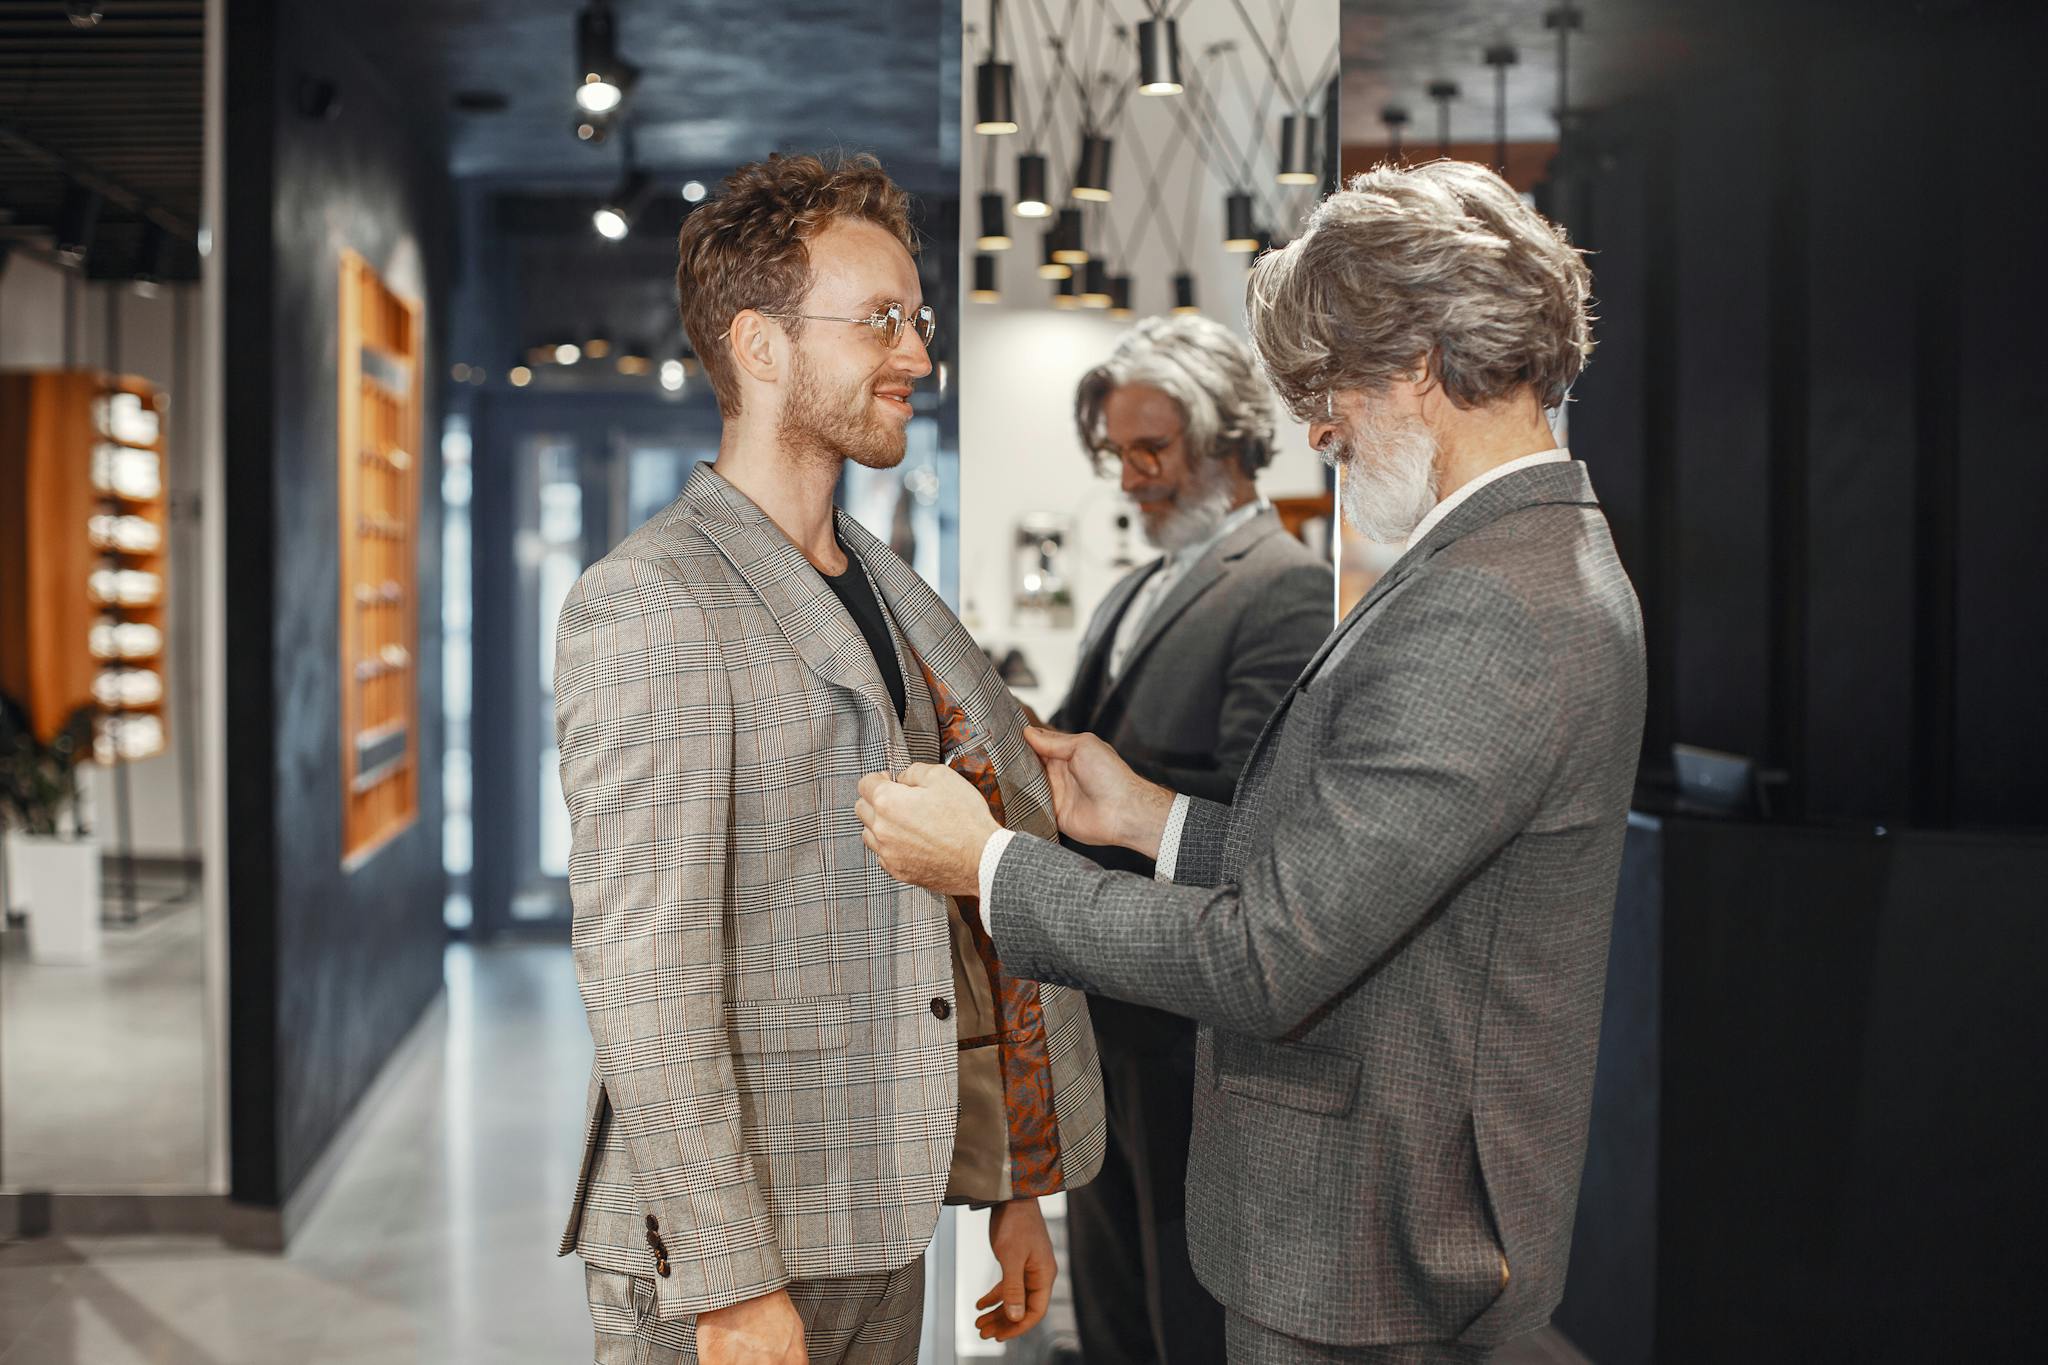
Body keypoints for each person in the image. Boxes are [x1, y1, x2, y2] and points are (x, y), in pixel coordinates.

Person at [856, 159, 1647, 1364]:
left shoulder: (1490, 604)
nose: (1318, 430)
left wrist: (992, 870)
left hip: (1372, 1246)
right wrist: (1150, 819)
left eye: (1326, 388)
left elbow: (1271, 955)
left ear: (1420, 360)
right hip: (1367, 1214)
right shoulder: (1516, 565)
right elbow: (1361, 882)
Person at [554, 151, 1105, 1365]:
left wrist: (1014, 1182)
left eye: (918, 320)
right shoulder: (648, 602)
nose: (916, 354)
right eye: (882, 323)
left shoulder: (890, 596)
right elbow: (644, 969)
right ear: (759, 346)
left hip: (880, 1217)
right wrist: (731, 1282)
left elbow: (947, 919)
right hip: (731, 1256)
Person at [1055, 315, 1331, 1365]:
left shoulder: (1285, 588)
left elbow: (1258, 815)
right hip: (1105, 1017)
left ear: (1226, 439)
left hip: (1186, 1036)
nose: (1128, 478)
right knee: (1116, 1313)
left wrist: (1084, 793)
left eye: (1149, 450)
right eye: (1115, 453)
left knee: (1184, 1322)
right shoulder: (1136, 587)